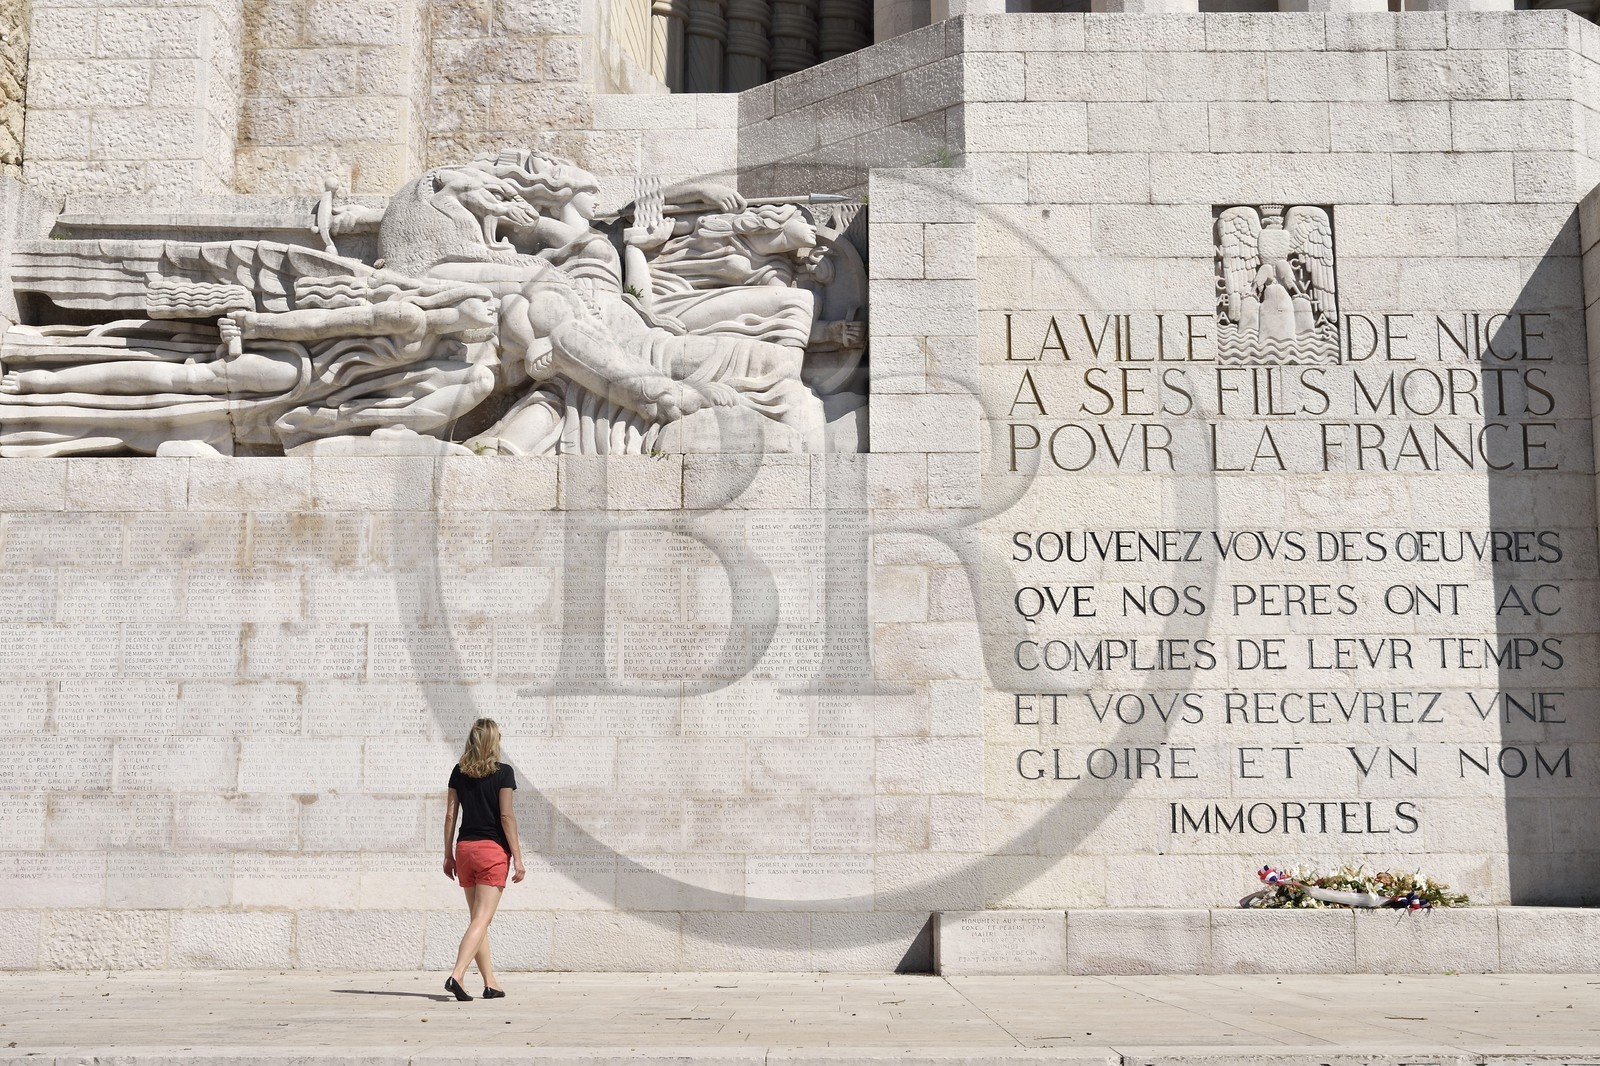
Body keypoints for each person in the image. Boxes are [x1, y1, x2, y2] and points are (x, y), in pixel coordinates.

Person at [443, 718, 525, 1001]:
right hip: (491, 851)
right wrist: (518, 857)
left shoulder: (458, 772)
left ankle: (491, 983)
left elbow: (451, 816)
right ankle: (457, 975)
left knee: (478, 919)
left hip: (465, 849)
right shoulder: (504, 773)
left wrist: (447, 855)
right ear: (494, 741)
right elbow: (506, 816)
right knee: (481, 918)